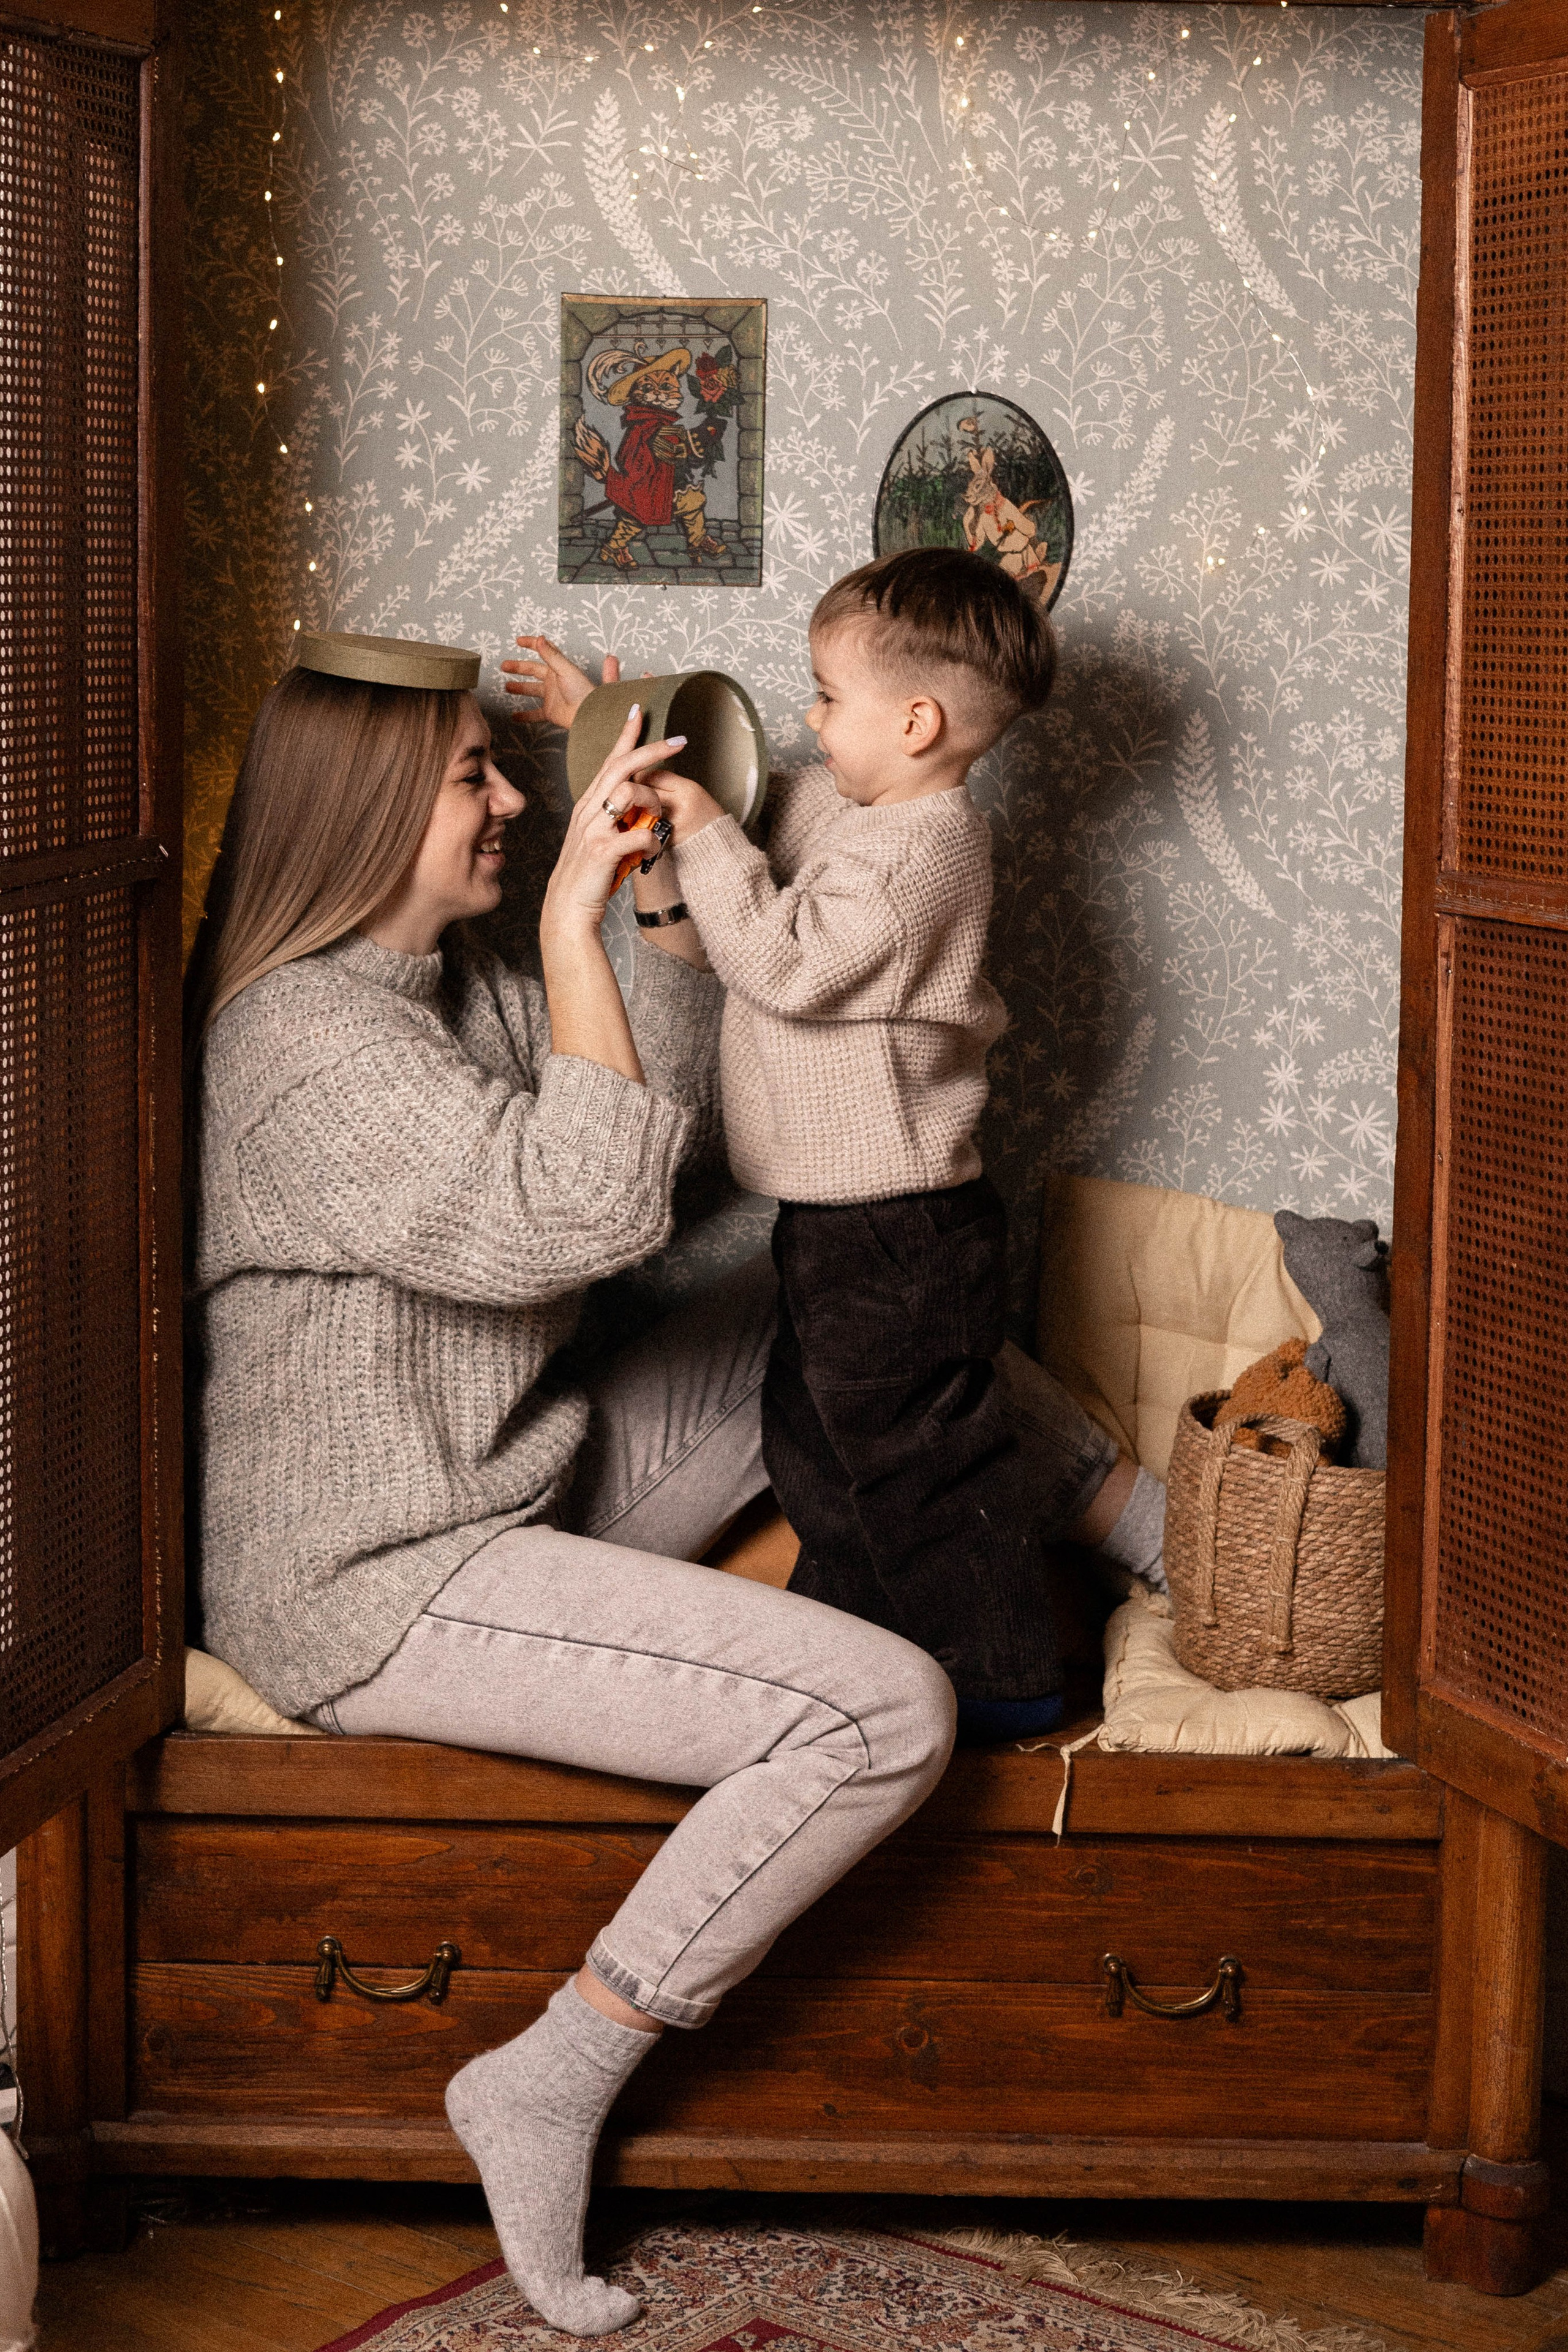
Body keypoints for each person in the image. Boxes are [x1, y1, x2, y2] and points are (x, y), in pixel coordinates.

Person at [184, 634, 962, 2338]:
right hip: (375, 1577)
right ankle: (551, 2073)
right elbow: (580, 1218)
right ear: (365, 807)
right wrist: (565, 918)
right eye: (473, 775)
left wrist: (658, 903)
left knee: (854, 1302)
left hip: (506, 1480)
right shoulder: (301, 1052)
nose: (511, 798)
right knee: (885, 1716)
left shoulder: (440, 987)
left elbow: (661, 1141)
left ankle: (1122, 1507)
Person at [518, 553, 1168, 1747]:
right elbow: (713, 901)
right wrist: (609, 730)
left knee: (921, 1458)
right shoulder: (839, 806)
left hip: (902, 1225)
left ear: (915, 723)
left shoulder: (926, 851)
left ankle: (1001, 1668)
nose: (808, 720)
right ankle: (851, 1629)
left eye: (825, 696)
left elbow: (778, 962)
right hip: (833, 1220)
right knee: (814, 1441)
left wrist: (710, 833)